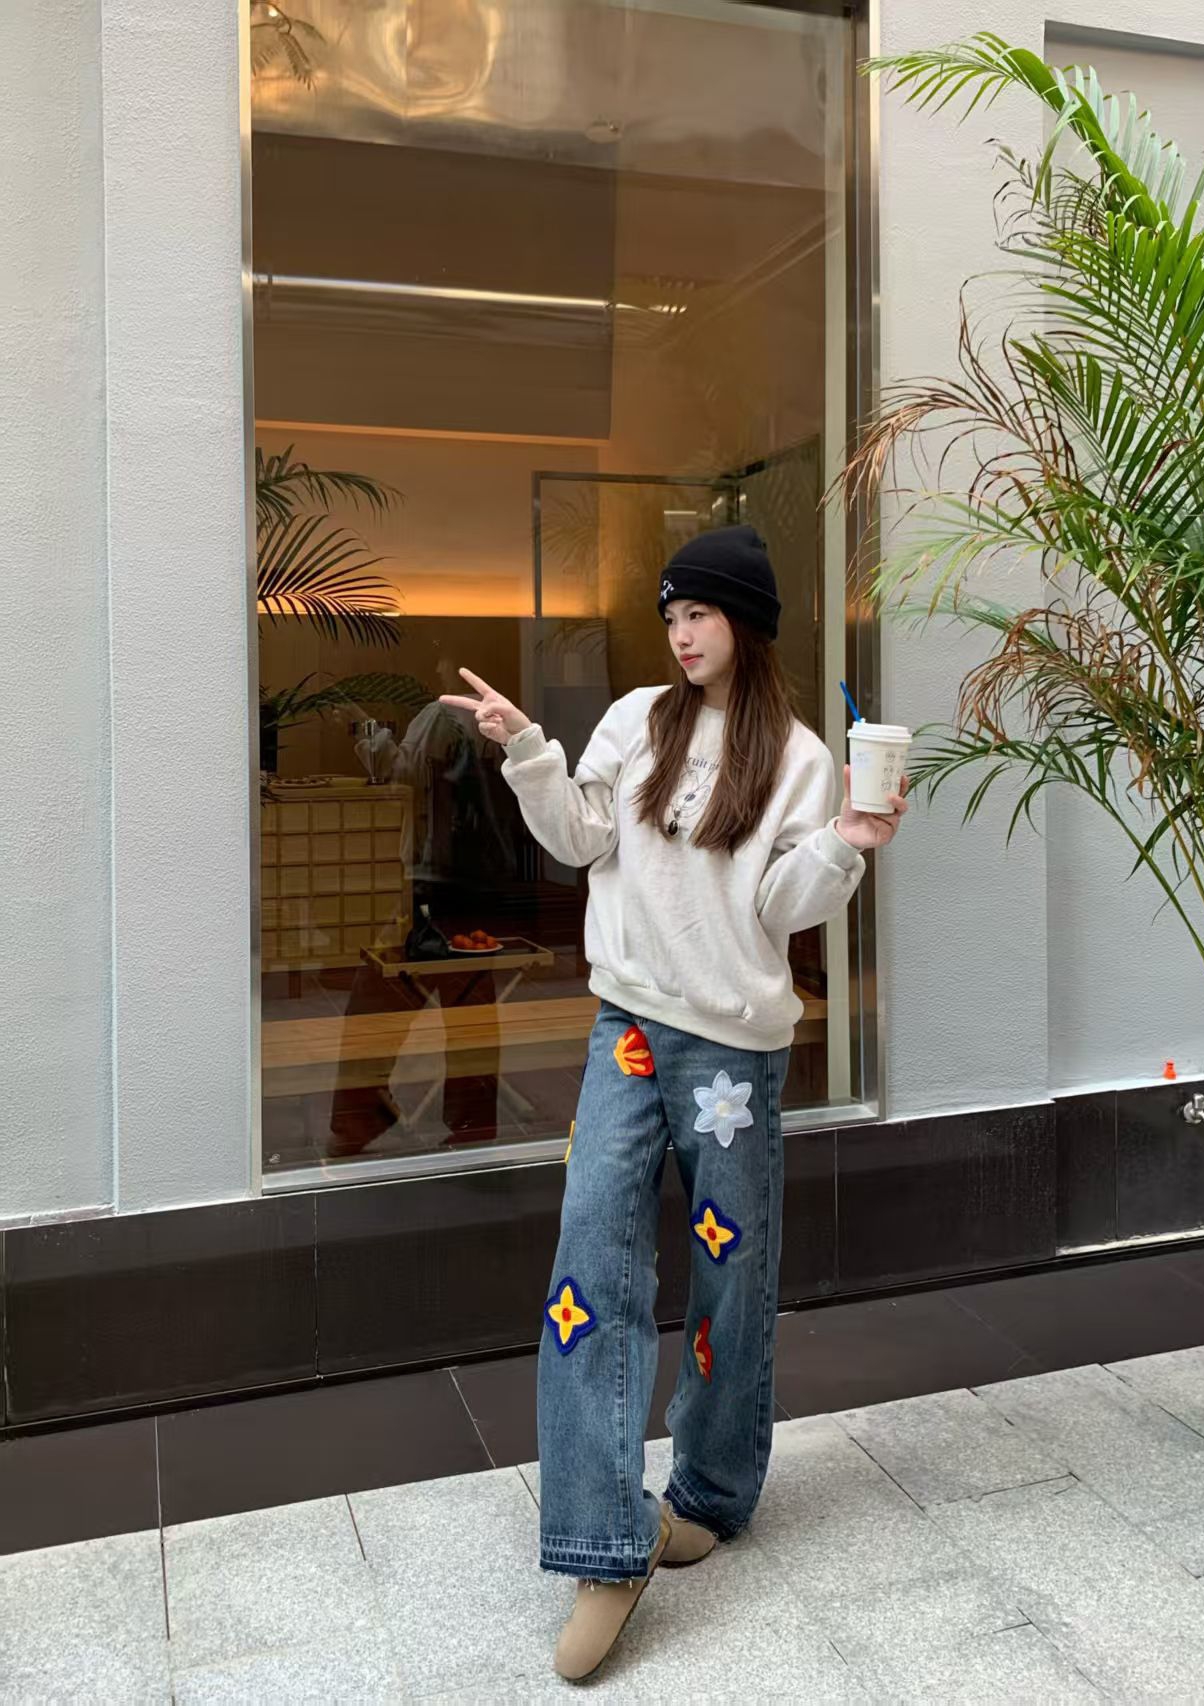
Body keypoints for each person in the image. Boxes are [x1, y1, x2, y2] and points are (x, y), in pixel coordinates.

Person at [441, 525, 907, 1681]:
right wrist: (527, 749)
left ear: (746, 620)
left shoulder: (798, 755)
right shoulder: (633, 720)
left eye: (698, 611)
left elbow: (782, 905)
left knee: (730, 1273)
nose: (681, 633)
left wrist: (847, 840)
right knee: (588, 1259)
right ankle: (606, 1542)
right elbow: (578, 837)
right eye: (671, 615)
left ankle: (710, 1488)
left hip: (732, 1052)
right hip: (629, 1028)